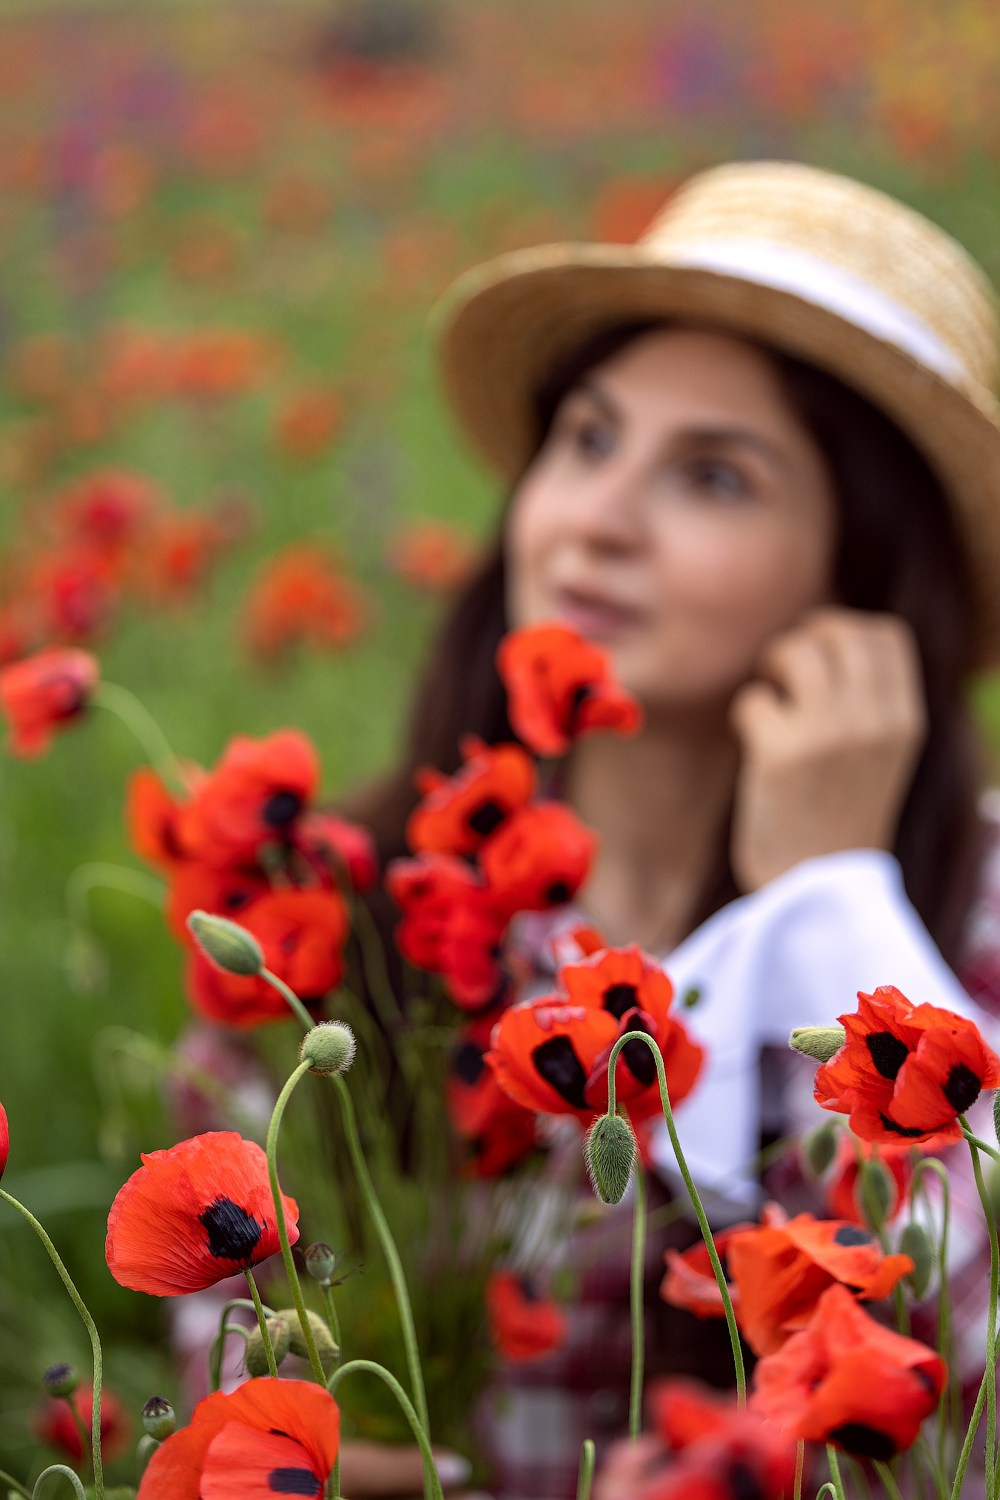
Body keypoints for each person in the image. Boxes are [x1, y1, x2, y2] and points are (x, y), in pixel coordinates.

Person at [343, 159, 1000, 1499]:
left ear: (862, 577)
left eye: (711, 476)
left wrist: (832, 904)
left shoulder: (978, 907)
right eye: (587, 440)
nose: (597, 518)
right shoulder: (361, 903)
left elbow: (980, 1365)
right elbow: (228, 1406)